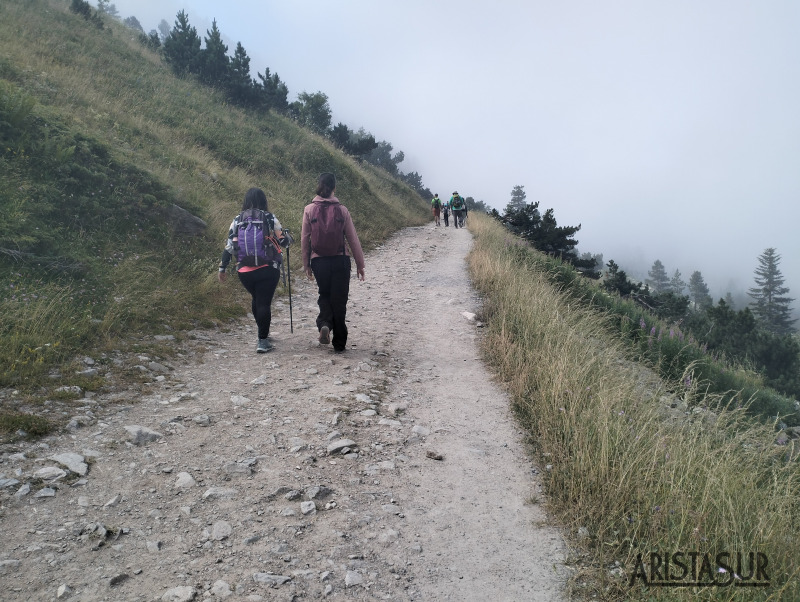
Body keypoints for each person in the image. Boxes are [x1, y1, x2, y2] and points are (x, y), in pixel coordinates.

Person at [301, 172, 366, 353]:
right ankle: (339, 342)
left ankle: (325, 324)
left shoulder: (309, 210)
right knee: (340, 300)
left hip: (319, 262)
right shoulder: (342, 210)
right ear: (334, 188)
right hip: (340, 260)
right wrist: (360, 265)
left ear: (319, 186)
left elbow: (305, 239)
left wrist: (306, 263)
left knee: (324, 294)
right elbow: (353, 239)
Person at [218, 187, 285, 353]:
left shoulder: (237, 220)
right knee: (263, 302)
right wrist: (286, 238)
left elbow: (229, 247)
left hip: (245, 270)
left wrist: (222, 267)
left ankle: (262, 334)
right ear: (263, 201)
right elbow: (283, 241)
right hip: (268, 269)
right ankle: (262, 340)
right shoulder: (269, 218)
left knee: (256, 298)